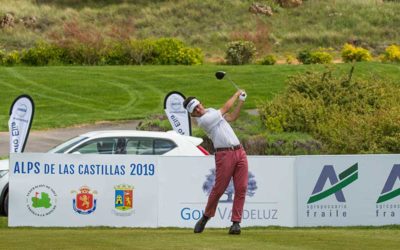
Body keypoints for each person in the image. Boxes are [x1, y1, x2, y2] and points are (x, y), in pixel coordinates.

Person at [183, 90, 248, 235]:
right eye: (195, 110)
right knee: (219, 189)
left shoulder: (211, 111)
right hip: (224, 155)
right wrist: (236, 95)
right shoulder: (204, 121)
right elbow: (226, 108)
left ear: (201, 103)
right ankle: (206, 217)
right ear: (192, 114)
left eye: (198, 106)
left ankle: (236, 223)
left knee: (242, 187)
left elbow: (231, 117)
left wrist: (241, 102)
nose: (198, 110)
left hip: (239, 151)